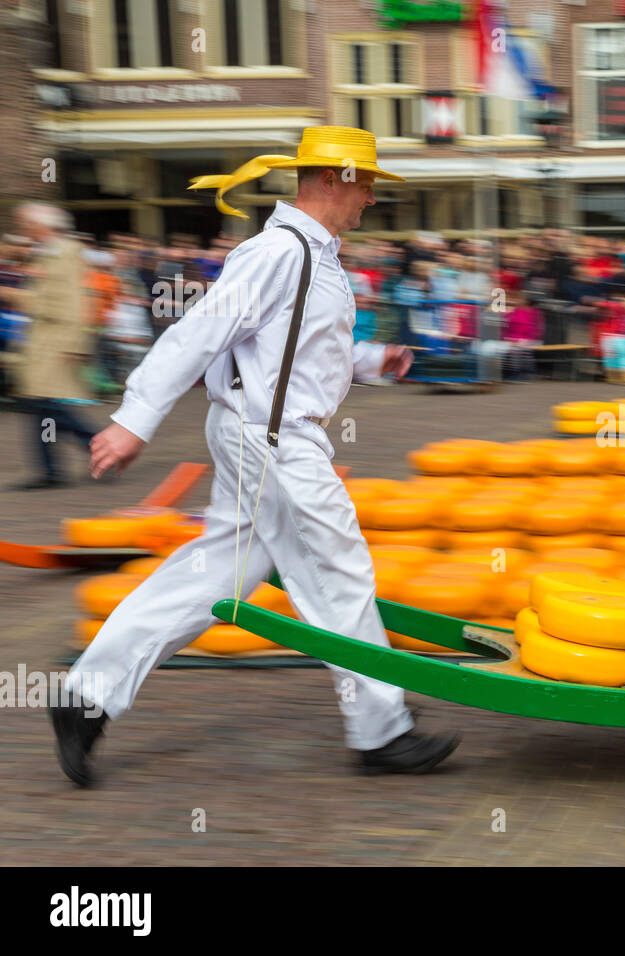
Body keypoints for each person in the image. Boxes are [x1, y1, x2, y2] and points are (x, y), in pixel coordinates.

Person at [51, 127, 460, 786]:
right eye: (368, 182)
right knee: (342, 570)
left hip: (264, 436)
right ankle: (382, 731)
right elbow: (197, 334)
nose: (373, 198)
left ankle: (86, 696)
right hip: (275, 443)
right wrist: (133, 421)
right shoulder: (280, 253)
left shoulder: (312, 256)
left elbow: (290, 353)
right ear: (333, 179)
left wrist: (369, 360)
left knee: (212, 576)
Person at [0, 203, 98, 489]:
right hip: (44, 340)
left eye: (27, 225)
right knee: (42, 406)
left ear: (43, 226)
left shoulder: (65, 254)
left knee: (45, 406)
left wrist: (75, 343)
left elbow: (73, 301)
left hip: (55, 340)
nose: (24, 231)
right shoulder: (49, 253)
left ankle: (94, 449)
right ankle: (60, 466)